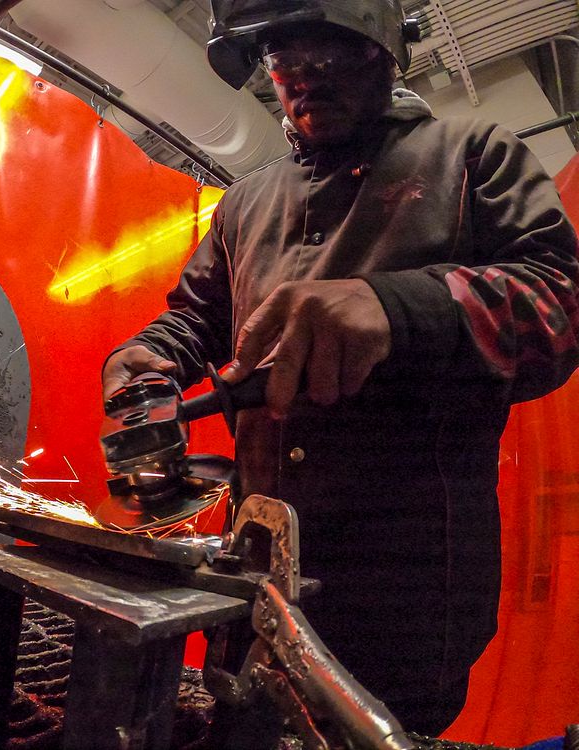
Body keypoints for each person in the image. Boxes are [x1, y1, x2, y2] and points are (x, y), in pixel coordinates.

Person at [102, 0, 579, 736]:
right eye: (284, 61)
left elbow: (559, 303)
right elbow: (194, 317)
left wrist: (397, 310)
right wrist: (148, 359)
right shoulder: (249, 201)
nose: (303, 80)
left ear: (385, 53)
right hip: (254, 575)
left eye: (330, 56)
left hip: (407, 597)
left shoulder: (471, 153)